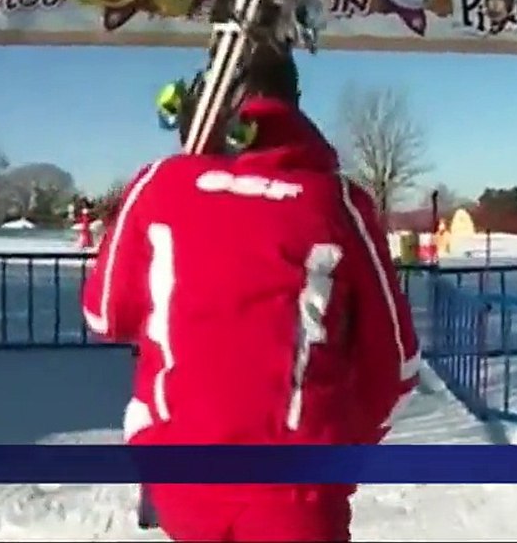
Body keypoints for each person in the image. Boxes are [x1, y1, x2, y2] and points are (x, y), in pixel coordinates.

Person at [81, 52, 421, 543]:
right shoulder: (337, 202)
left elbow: (104, 314)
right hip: (299, 495)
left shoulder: (158, 184)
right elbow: (398, 365)